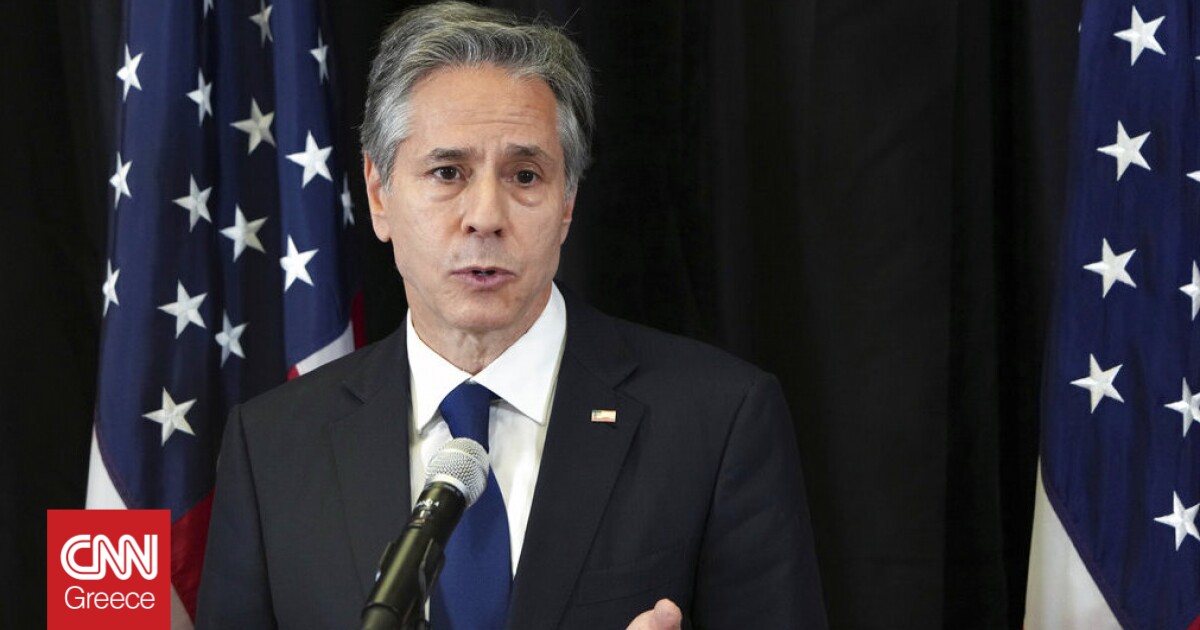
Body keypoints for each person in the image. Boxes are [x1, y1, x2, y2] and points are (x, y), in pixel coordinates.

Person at [196, 2, 827, 628]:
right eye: (448, 171)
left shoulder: (718, 421)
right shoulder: (272, 447)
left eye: (525, 176)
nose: (486, 216)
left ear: (567, 201)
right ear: (379, 194)